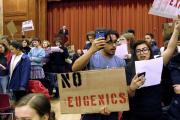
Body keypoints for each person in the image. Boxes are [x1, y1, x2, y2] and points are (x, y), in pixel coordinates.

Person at [72, 29, 143, 120]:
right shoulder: (92, 57)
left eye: (115, 42)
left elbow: (122, 87)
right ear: (102, 42)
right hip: (91, 108)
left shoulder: (121, 62)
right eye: (109, 42)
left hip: (112, 109)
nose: (113, 46)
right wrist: (91, 51)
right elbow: (74, 68)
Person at [122, 18, 180, 120]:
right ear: (135, 54)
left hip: (156, 112)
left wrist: (176, 30)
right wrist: (132, 88)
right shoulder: (129, 68)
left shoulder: (156, 63)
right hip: (135, 114)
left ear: (150, 51)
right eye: (138, 51)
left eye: (145, 49)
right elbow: (127, 94)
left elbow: (170, 48)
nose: (142, 52)